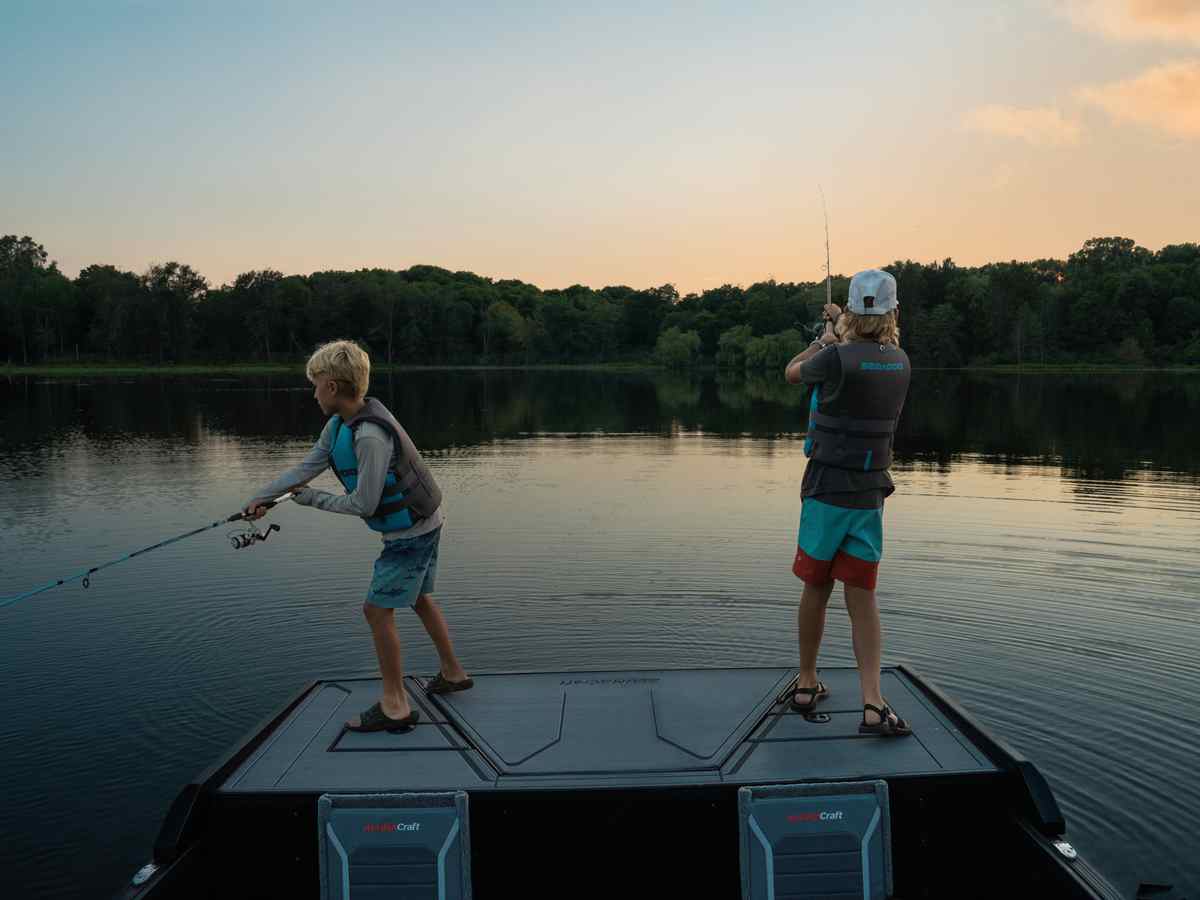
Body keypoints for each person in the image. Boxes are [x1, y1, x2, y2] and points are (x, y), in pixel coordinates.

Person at [244, 340, 471, 733]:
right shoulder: (338, 426)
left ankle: (395, 705)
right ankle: (452, 672)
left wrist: (312, 499)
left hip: (412, 532)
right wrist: (262, 498)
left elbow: (364, 504)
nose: (313, 393)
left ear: (332, 386)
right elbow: (306, 467)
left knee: (376, 610)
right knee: (417, 597)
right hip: (425, 521)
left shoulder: (368, 436)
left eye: (315, 384)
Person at [783, 269, 912, 736]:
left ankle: (806, 683)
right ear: (894, 312)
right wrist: (844, 327)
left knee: (816, 589)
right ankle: (873, 703)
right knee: (863, 599)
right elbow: (868, 352)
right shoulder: (900, 362)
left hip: (823, 493)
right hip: (869, 498)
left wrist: (822, 338)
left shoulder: (832, 357)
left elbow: (793, 372)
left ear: (853, 311)